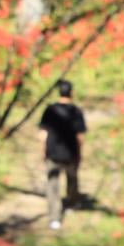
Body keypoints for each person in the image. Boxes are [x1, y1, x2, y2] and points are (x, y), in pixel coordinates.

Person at [39, 79, 87, 230]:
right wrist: (80, 152)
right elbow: (80, 136)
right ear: (71, 93)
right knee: (72, 178)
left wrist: (43, 150)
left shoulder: (50, 110)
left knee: (53, 185)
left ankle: (54, 217)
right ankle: (72, 203)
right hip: (71, 153)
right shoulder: (76, 111)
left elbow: (43, 133)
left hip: (52, 152)